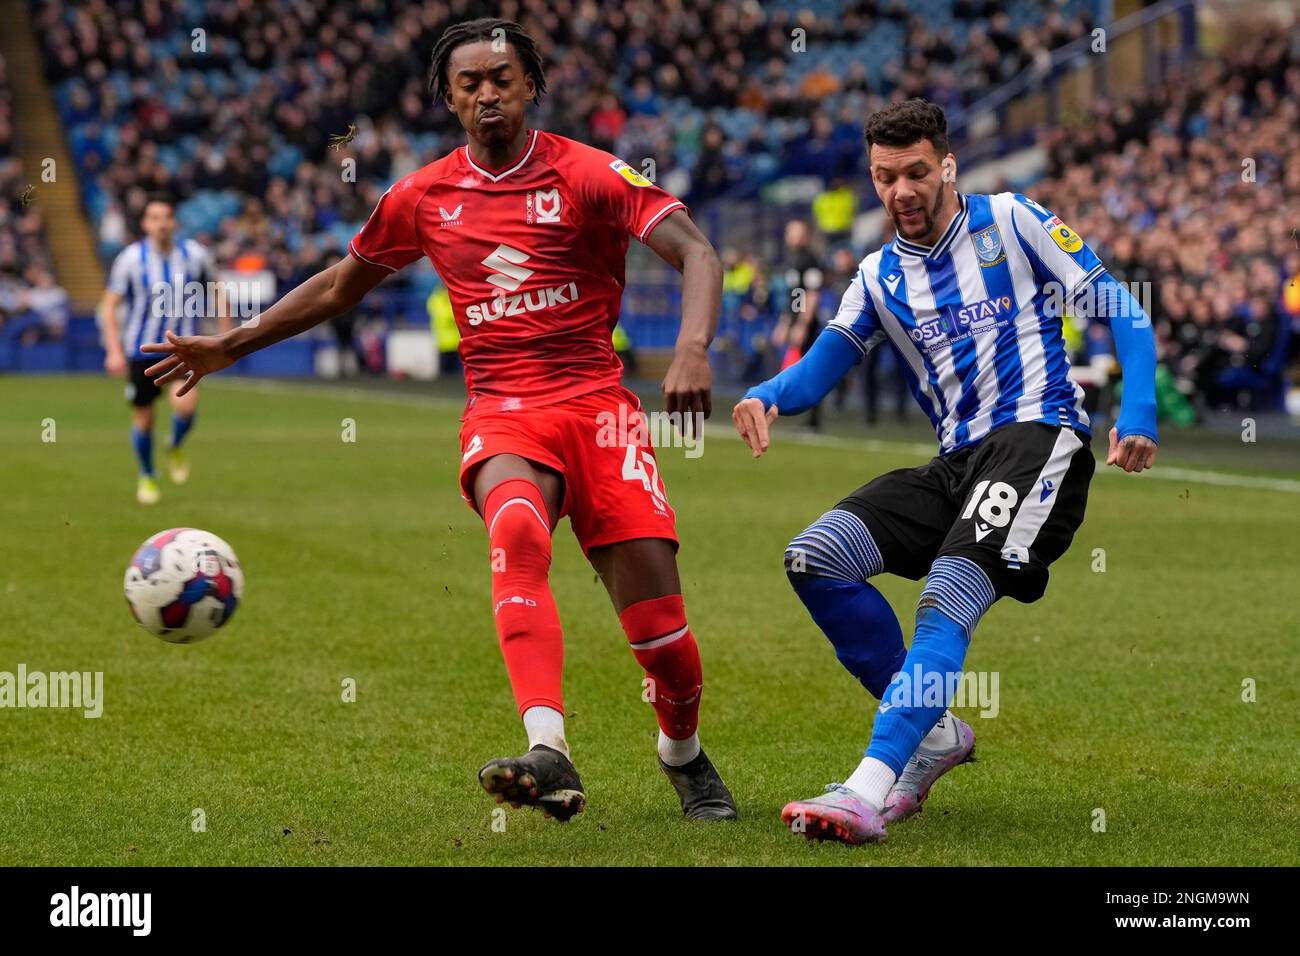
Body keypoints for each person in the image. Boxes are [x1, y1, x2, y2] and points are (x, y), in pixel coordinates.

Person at [142, 18, 736, 824]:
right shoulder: (424, 196)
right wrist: (235, 344)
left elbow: (697, 251)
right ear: (447, 97)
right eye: (471, 83)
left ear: (531, 86)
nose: (488, 93)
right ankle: (548, 749)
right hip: (504, 413)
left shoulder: (592, 173)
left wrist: (693, 348)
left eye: (503, 78)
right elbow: (339, 286)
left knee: (664, 638)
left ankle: (683, 754)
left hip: (600, 412)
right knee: (518, 527)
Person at [733, 98, 1157, 845]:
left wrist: (1142, 409)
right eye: (885, 176)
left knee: (948, 591)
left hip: (1039, 439)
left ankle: (868, 788)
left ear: (948, 166)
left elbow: (1121, 306)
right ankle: (931, 737)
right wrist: (767, 393)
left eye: (917, 172)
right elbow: (816, 373)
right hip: (957, 463)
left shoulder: (1014, 221)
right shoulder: (876, 275)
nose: (902, 190)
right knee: (816, 557)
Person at [101, 194, 229, 504]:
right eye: (154, 218)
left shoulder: (194, 254)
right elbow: (109, 304)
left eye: (167, 217)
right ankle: (147, 475)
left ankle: (174, 444)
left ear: (175, 222)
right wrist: (113, 350)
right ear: (145, 223)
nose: (161, 224)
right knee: (144, 420)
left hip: (183, 349)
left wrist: (227, 335)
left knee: (186, 407)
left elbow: (217, 288)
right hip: (140, 350)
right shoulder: (131, 259)